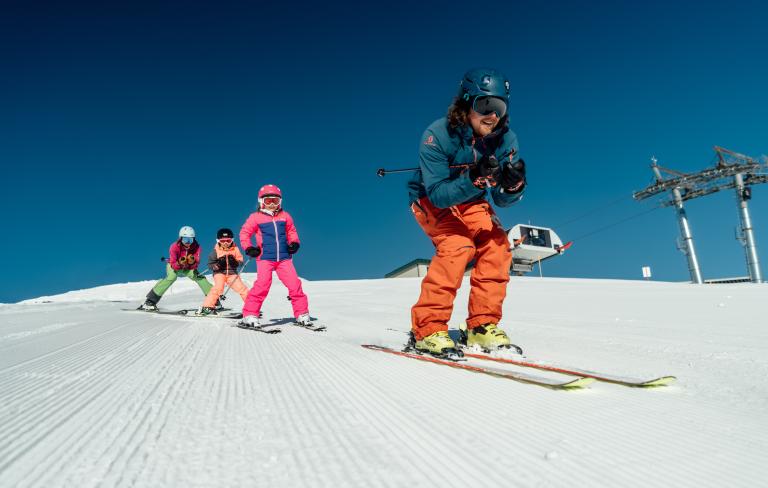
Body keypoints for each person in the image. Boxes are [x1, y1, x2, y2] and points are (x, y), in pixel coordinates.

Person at [406, 67, 527, 356]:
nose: (493, 115)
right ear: (466, 104)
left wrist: (512, 187)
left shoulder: (506, 140)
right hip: (431, 198)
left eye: (499, 107)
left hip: (472, 199)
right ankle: (427, 329)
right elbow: (438, 194)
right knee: (457, 245)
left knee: (497, 246)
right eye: (485, 105)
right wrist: (473, 178)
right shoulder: (437, 135)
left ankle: (481, 325)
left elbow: (502, 199)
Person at [238, 184, 311, 326]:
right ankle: (250, 315)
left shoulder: (285, 216)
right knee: (263, 285)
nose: (272, 204)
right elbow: (244, 233)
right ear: (261, 202)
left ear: (280, 202)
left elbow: (291, 232)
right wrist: (249, 248)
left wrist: (294, 243)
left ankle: (302, 313)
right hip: (265, 258)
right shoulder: (256, 217)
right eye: (268, 201)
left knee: (295, 284)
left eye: (275, 201)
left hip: (284, 258)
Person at [140, 226, 214, 311]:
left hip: (188, 267)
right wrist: (179, 263)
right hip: (174, 265)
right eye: (185, 240)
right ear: (180, 238)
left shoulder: (197, 247)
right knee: (171, 277)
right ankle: (150, 301)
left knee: (200, 278)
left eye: (190, 240)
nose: (188, 243)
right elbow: (173, 265)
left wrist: (192, 262)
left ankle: (214, 300)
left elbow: (196, 264)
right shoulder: (174, 247)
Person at [197, 228, 250, 315]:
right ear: (218, 241)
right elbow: (210, 264)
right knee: (218, 288)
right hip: (219, 273)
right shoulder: (215, 251)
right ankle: (207, 307)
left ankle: (251, 307)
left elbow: (240, 261)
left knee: (242, 288)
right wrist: (217, 265)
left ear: (232, 240)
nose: (225, 243)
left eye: (228, 241)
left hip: (232, 273)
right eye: (223, 241)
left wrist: (236, 262)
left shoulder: (235, 249)